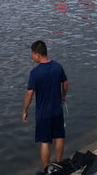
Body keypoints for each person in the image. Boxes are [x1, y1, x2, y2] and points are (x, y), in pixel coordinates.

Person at [22, 40, 69, 173]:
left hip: (43, 113)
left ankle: (46, 169)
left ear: (37, 54)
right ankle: (60, 164)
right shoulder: (57, 66)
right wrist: (63, 96)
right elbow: (65, 83)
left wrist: (24, 111)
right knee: (59, 136)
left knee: (45, 141)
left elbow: (29, 94)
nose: (32, 56)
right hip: (57, 110)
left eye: (32, 54)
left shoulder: (35, 73)